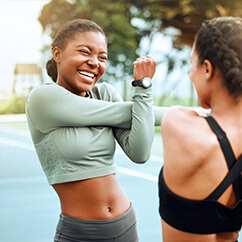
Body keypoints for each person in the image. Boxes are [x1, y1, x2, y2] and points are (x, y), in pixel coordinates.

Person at [26, 19, 164, 242]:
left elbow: (140, 153)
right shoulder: (42, 98)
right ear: (57, 54)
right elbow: (131, 113)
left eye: (102, 57)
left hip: (126, 224)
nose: (94, 62)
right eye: (84, 52)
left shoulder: (106, 93)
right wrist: (144, 87)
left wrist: (143, 98)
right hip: (81, 233)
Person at [158, 16, 242, 242]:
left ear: (207, 68)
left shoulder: (178, 123)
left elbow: (195, 113)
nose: (189, 74)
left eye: (190, 63)